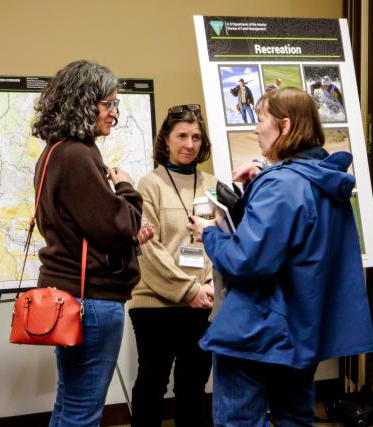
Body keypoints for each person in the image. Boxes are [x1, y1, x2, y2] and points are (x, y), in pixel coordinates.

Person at [187, 87, 373, 426]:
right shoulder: (322, 181)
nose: (256, 129)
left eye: (260, 121)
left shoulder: (281, 185)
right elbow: (293, 244)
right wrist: (254, 189)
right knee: (295, 419)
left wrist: (210, 234)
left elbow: (248, 261)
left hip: (258, 330)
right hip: (301, 330)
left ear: (285, 126)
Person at [31, 60, 153, 427]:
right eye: (108, 104)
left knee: (69, 404)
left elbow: (85, 225)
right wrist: (127, 188)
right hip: (91, 301)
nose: (114, 113)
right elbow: (118, 226)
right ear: (84, 102)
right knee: (83, 413)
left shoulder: (54, 151)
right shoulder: (78, 155)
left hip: (68, 296)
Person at [129, 103, 216, 427]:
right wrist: (187, 289)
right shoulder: (148, 184)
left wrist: (207, 288)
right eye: (182, 135)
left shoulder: (212, 183)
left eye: (196, 136)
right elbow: (147, 248)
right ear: (166, 139)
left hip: (202, 301)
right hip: (156, 302)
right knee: (152, 383)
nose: (189, 144)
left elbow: (218, 239)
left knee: (194, 386)